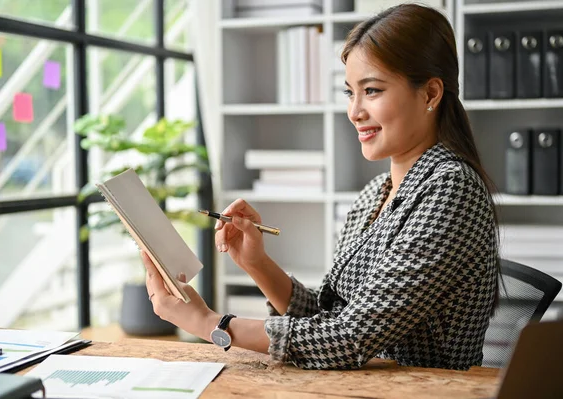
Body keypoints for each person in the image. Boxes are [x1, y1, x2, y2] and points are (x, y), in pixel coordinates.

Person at [142, 3, 499, 371]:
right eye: (349, 93)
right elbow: (331, 316)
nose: (354, 111)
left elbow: (348, 339)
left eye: (372, 91)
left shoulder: (452, 190)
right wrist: (257, 264)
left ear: (430, 94)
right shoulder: (375, 193)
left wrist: (209, 323)